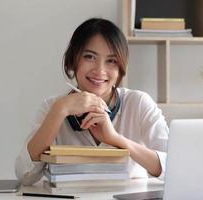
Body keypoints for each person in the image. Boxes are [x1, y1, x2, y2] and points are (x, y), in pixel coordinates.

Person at [15, 18, 169, 185]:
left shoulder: (138, 103)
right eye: (89, 57)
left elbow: (173, 166)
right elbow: (25, 175)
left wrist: (115, 139)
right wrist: (60, 110)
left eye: (111, 61)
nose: (99, 70)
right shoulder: (53, 107)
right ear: (74, 59)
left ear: (120, 68)